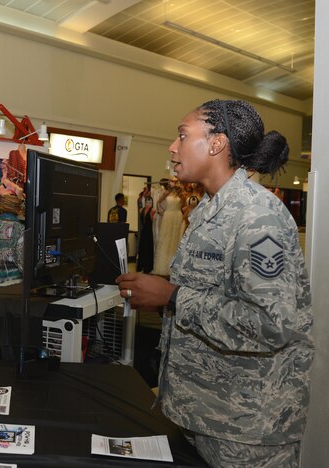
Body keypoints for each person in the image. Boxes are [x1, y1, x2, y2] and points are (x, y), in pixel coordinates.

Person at [116, 99, 313, 467]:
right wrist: (159, 288)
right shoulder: (209, 207)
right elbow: (213, 289)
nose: (172, 147)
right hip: (202, 413)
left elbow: (270, 324)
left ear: (217, 144)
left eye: (182, 135)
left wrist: (172, 296)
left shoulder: (257, 216)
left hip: (247, 430)